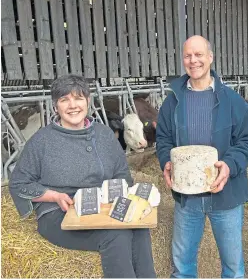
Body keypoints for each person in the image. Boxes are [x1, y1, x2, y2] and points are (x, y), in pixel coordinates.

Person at [8, 74, 156, 278]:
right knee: (115, 235)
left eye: (78, 98)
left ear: (88, 101)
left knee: (139, 229)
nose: (72, 105)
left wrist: (112, 195)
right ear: (55, 106)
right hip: (60, 213)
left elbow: (122, 174)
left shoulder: (104, 134)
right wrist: (53, 196)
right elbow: (18, 183)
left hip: (104, 207)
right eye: (64, 100)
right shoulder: (42, 141)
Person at [156, 35, 248, 278]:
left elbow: (247, 142)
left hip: (226, 196)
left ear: (210, 57)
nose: (193, 61)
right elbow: (163, 140)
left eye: (199, 54)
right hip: (187, 199)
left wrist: (230, 166)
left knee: (233, 269)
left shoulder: (233, 102)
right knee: (182, 268)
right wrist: (166, 162)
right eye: (188, 56)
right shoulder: (172, 103)